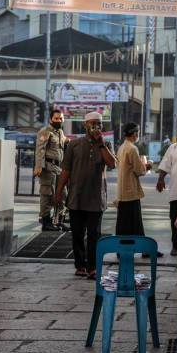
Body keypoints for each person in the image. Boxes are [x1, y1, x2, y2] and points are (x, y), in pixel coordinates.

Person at [55, 112, 117, 279]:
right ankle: (80, 265)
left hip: (96, 198)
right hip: (76, 197)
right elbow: (66, 170)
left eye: (98, 124)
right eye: (92, 124)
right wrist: (59, 191)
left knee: (94, 235)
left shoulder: (106, 144)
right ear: (84, 125)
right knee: (77, 233)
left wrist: (101, 143)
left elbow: (112, 164)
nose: (95, 127)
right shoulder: (74, 145)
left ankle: (93, 267)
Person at [115, 123, 164, 257]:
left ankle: (124, 249)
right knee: (135, 222)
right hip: (130, 191)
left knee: (124, 223)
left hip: (123, 191)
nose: (138, 135)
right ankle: (141, 249)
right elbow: (139, 170)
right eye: (137, 132)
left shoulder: (122, 148)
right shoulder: (132, 149)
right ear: (134, 133)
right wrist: (147, 165)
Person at [34, 109, 68, 232]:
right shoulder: (45, 131)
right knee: (47, 196)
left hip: (59, 168)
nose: (59, 120)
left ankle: (59, 221)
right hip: (48, 168)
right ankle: (46, 222)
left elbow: (62, 145)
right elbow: (40, 149)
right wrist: (38, 167)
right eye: (56, 118)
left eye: (61, 118)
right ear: (51, 119)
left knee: (63, 195)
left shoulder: (60, 132)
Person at [157, 122, 177, 256]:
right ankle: (176, 245)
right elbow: (165, 165)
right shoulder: (173, 148)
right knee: (174, 217)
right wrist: (160, 179)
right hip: (176, 188)